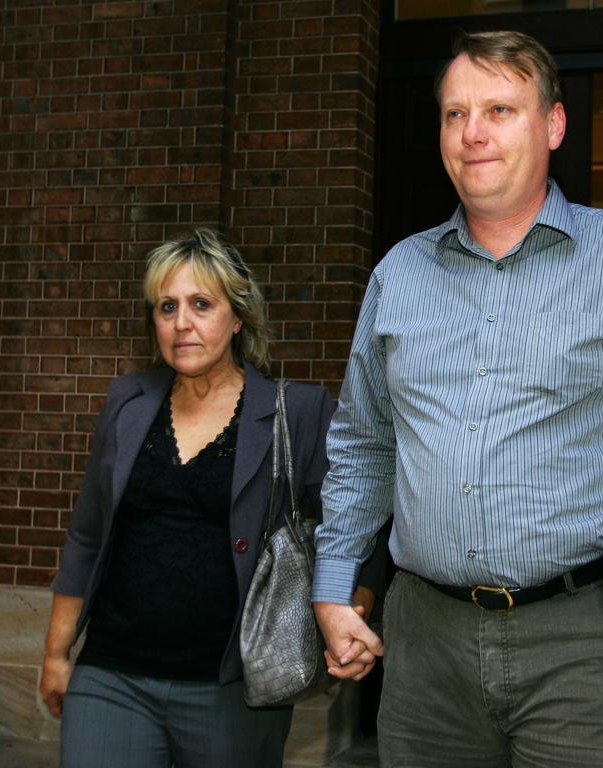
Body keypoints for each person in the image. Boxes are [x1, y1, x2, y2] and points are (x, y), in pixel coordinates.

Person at [311, 30, 603, 768]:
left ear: (554, 125)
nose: (472, 132)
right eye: (454, 114)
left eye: (500, 109)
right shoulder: (398, 275)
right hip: (427, 654)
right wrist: (332, 588)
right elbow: (364, 445)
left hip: (589, 642)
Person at [38, 229, 378, 768]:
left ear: (237, 317)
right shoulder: (127, 403)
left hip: (233, 687)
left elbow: (356, 523)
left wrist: (351, 612)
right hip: (113, 674)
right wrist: (57, 652)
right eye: (167, 307)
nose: (182, 323)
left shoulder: (299, 413)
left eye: (201, 304)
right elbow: (87, 535)